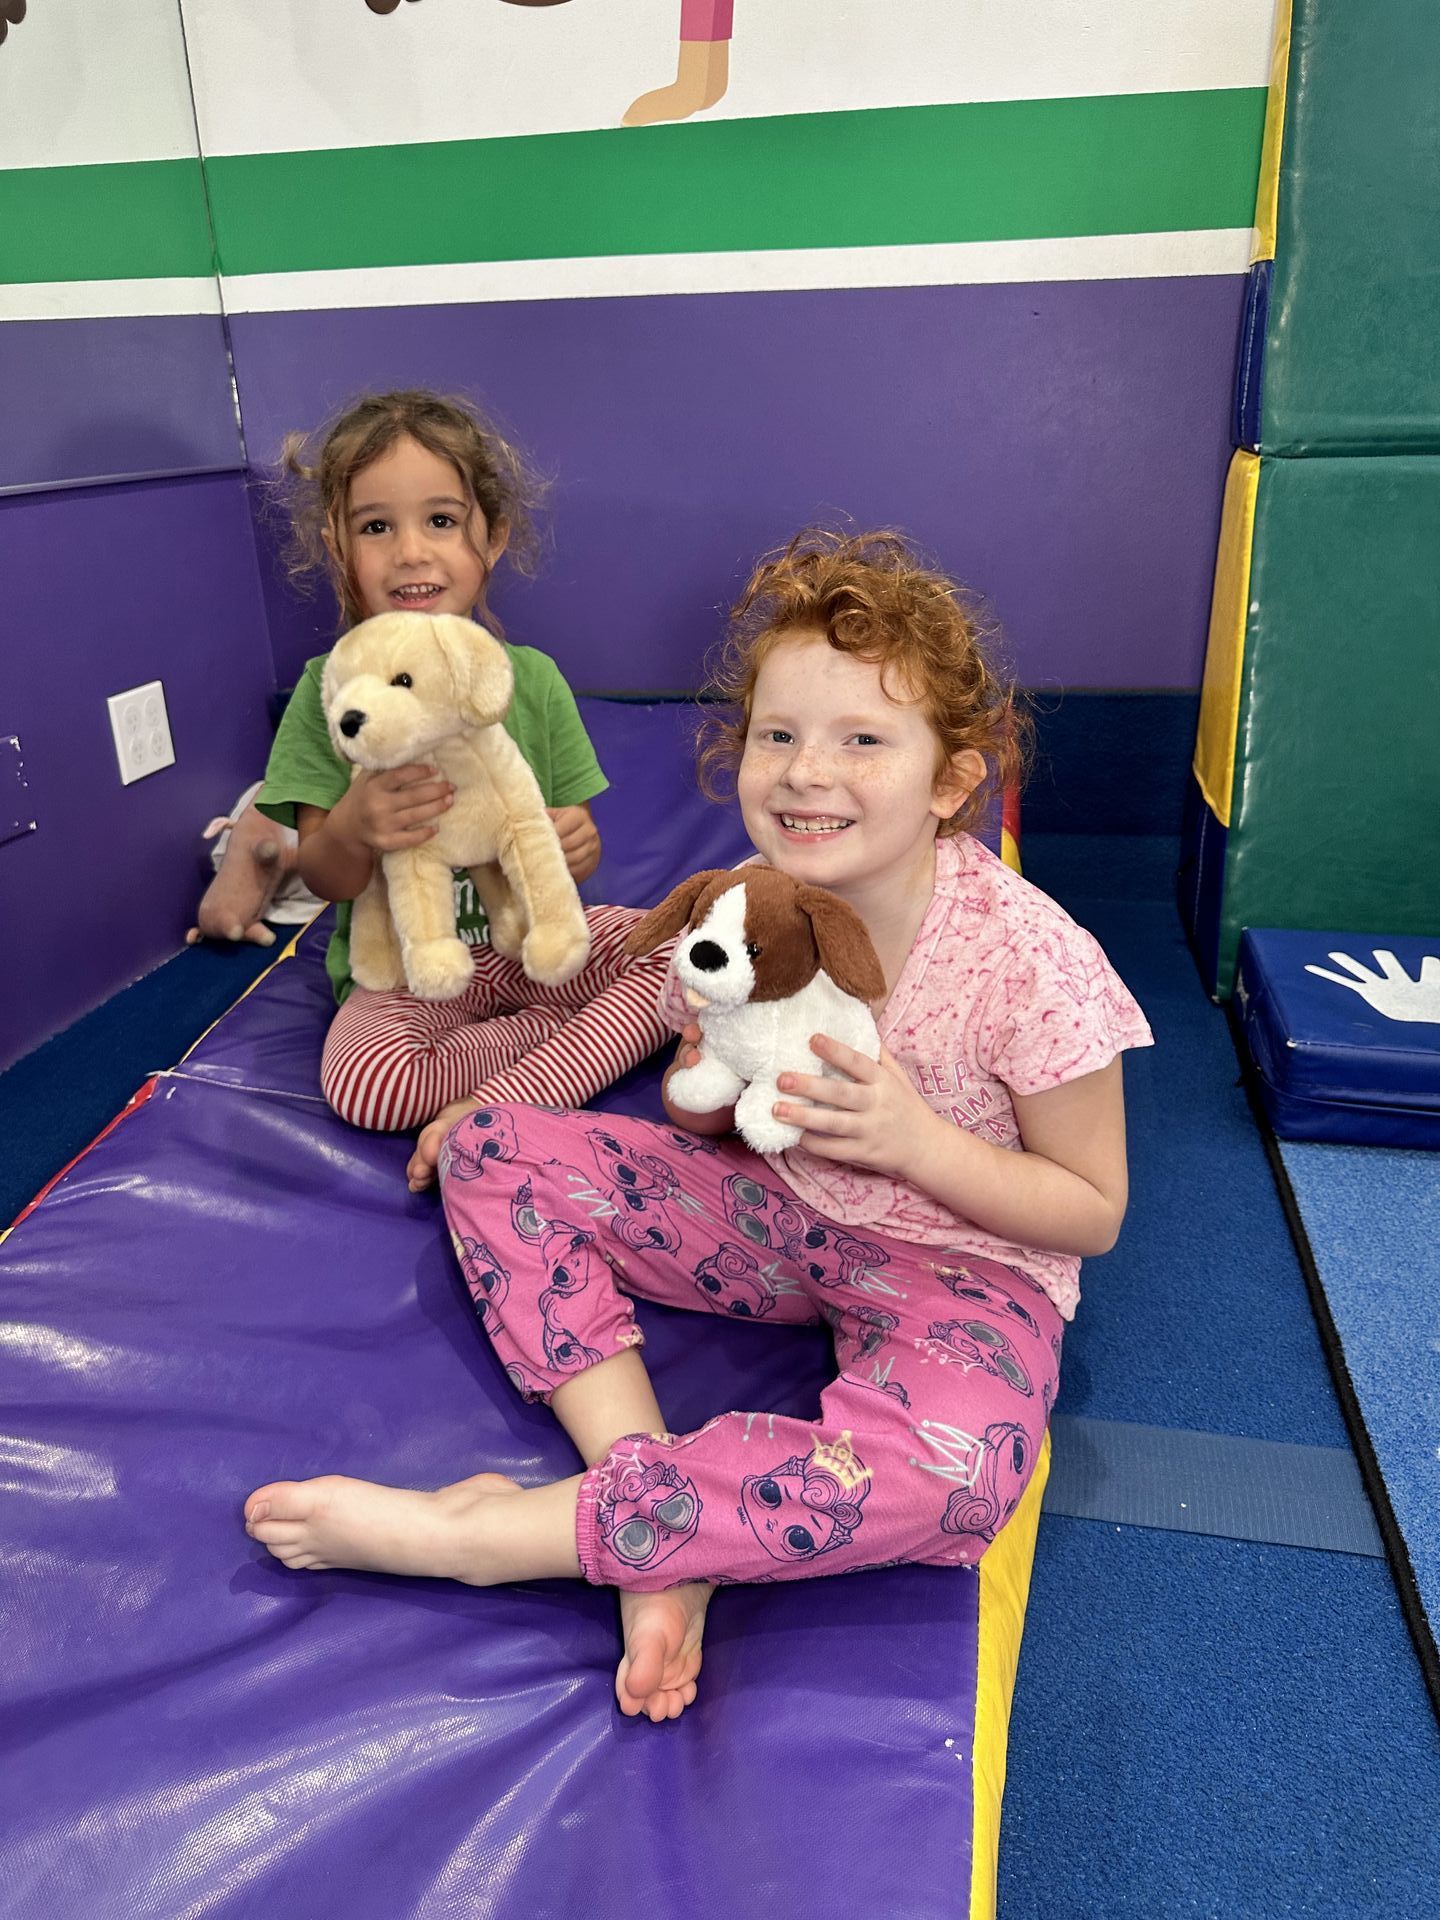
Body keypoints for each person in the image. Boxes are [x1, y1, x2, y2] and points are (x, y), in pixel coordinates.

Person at [245, 528, 1153, 1724]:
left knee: (965, 1478)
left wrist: (918, 1142)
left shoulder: (1032, 962)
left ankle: (506, 1534)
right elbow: (699, 1084)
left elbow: (1092, 1211)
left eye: (862, 741)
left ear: (950, 781)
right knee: (488, 1146)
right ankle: (650, 1511)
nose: (805, 772)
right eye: (777, 735)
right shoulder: (746, 906)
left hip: (969, 1275)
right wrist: (693, 1084)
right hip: (786, 1214)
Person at [254, 389, 672, 1189]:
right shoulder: (328, 691)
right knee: (368, 1087)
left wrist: (575, 841)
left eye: (441, 521)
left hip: (528, 950)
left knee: (685, 952)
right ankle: (551, 1048)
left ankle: (523, 1072)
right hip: (408, 975)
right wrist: (356, 825)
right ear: (339, 546)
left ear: (495, 538)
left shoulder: (534, 681)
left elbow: (565, 851)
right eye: (377, 526)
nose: (411, 552)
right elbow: (324, 876)